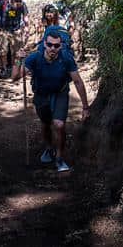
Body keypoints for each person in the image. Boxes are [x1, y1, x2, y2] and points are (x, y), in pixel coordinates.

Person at [11, 28, 90, 172]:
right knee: (46, 123)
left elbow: (78, 82)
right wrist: (18, 59)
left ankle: (59, 157)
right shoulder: (35, 57)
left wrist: (85, 107)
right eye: (50, 45)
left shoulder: (66, 58)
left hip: (60, 93)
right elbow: (15, 77)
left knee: (59, 125)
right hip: (41, 94)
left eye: (56, 45)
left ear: (61, 46)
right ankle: (48, 148)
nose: (53, 48)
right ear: (45, 44)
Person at [0, 0, 28, 78]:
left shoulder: (23, 5)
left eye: (19, 5)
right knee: (3, 52)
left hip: (16, 30)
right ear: (11, 2)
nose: (18, 7)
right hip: (3, 30)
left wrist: (27, 27)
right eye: (17, 5)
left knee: (18, 53)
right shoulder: (1, 4)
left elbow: (25, 16)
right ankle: (4, 69)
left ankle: (17, 68)